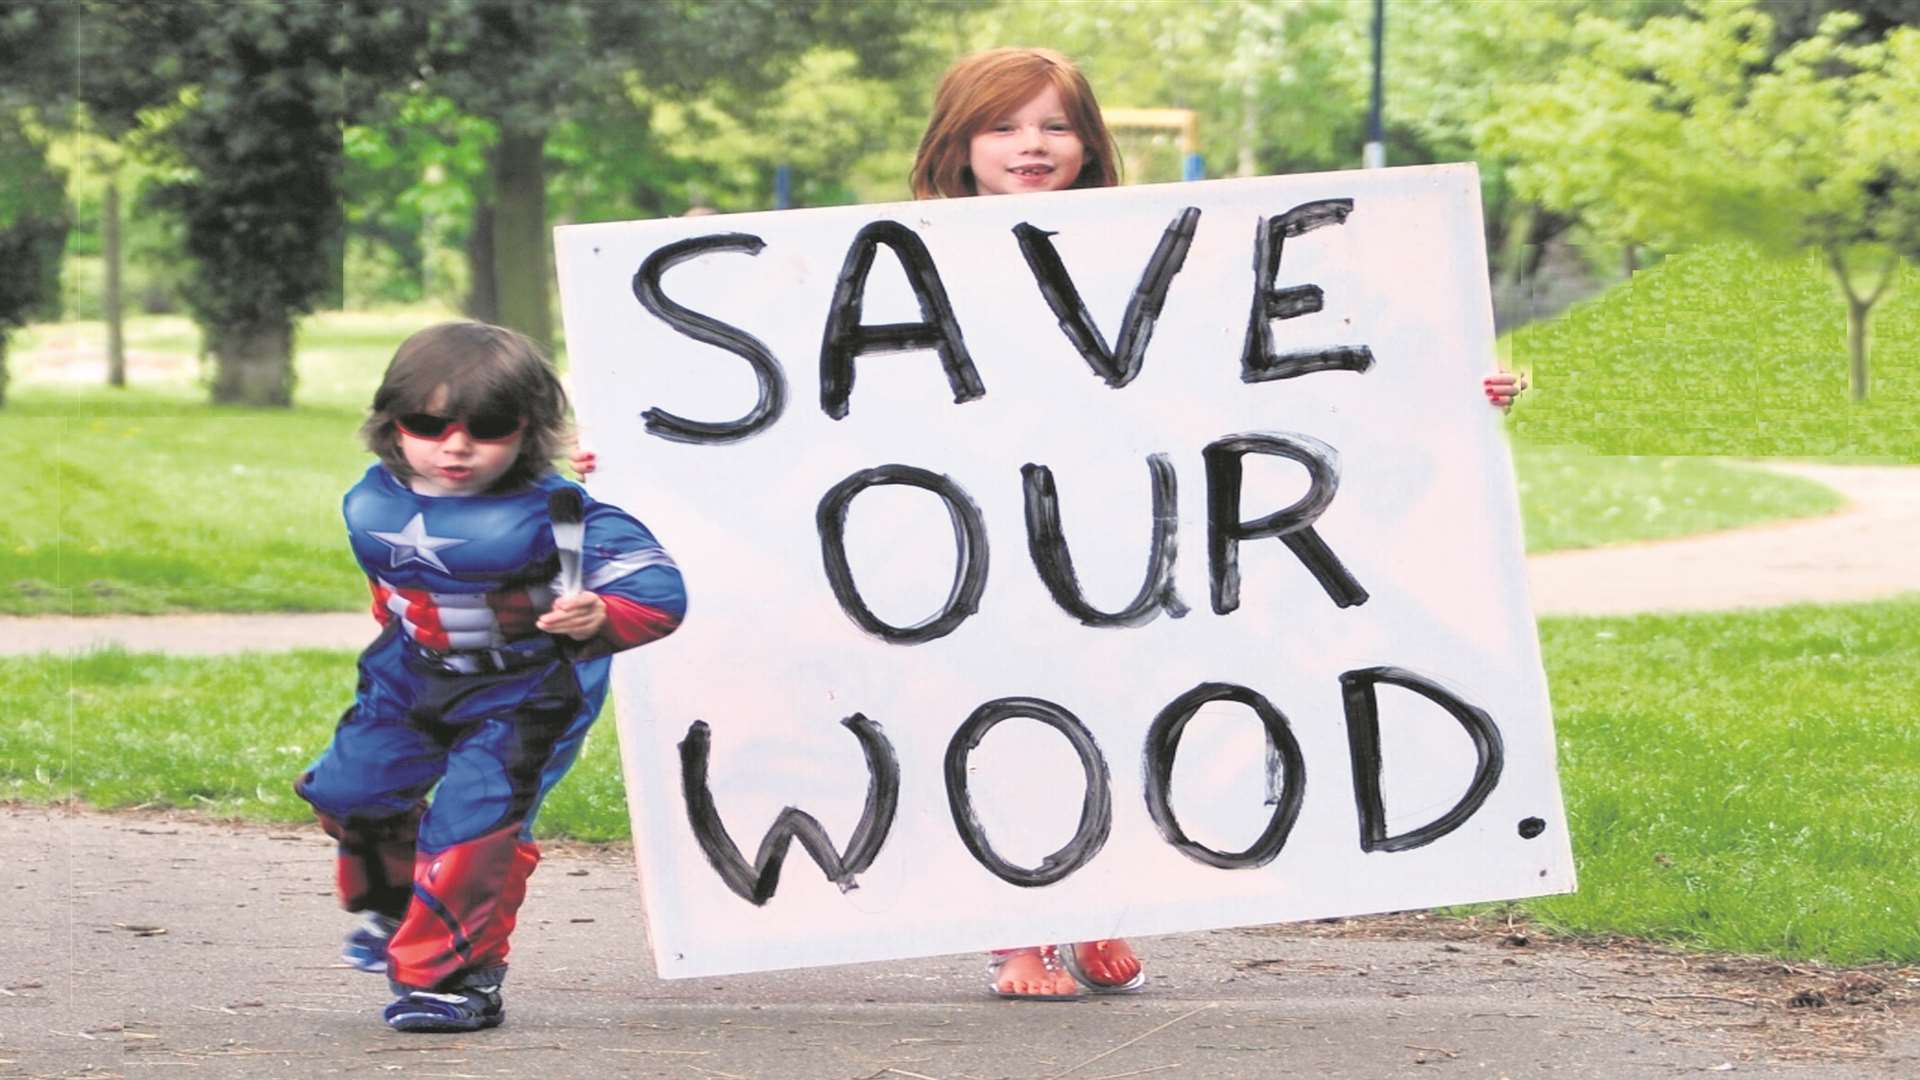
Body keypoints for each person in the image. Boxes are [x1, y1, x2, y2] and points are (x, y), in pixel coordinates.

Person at [572, 45, 1526, 1002]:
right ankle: (1016, 930)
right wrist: (634, 449)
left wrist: (1456, 394)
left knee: (1117, 708)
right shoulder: (883, 255)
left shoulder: (1150, 245)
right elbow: (789, 392)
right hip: (970, 549)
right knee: (999, 720)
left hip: (1117, 531)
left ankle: (1098, 907)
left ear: (1090, 141)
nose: (1032, 145)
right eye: (1004, 125)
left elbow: (1256, 371)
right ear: (959, 142)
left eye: (1055, 125)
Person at [296, 321, 686, 1033]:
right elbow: (391, 587)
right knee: (351, 794)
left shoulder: (556, 511)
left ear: (528, 430)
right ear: (392, 422)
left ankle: (453, 976)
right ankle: (403, 898)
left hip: (525, 689)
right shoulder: (375, 497)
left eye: (489, 426)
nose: (455, 444)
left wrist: (598, 611)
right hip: (410, 677)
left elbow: (657, 589)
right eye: (427, 422)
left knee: (474, 827)